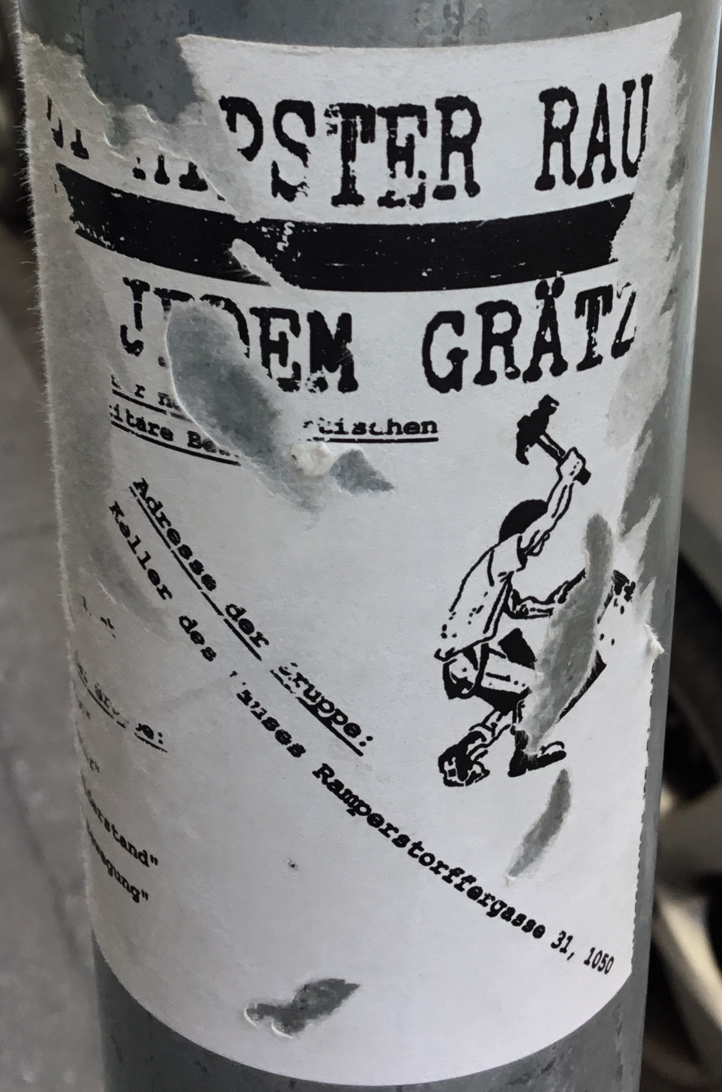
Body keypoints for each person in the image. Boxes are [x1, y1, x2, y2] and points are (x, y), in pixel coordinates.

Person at [435, 448, 587, 788]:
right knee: (543, 687)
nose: (543, 542)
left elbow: (519, 608)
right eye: (539, 537)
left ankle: (464, 755)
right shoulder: (500, 558)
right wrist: (566, 479)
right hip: (467, 660)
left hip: (466, 660)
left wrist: (556, 606)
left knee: (513, 704)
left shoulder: (498, 577)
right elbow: (548, 520)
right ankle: (524, 754)